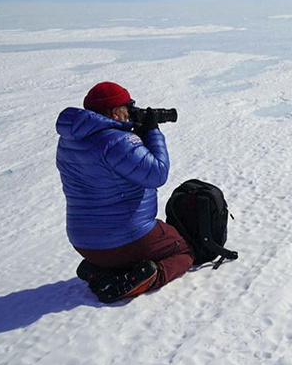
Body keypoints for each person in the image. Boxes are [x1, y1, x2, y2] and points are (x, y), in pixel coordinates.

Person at [56, 82, 194, 303]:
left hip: (84, 243)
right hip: (123, 240)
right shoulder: (117, 141)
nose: (130, 112)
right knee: (184, 251)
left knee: (127, 245)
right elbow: (157, 173)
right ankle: (142, 279)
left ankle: (101, 270)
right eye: (128, 107)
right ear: (114, 112)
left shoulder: (68, 141)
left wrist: (135, 138)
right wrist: (152, 132)